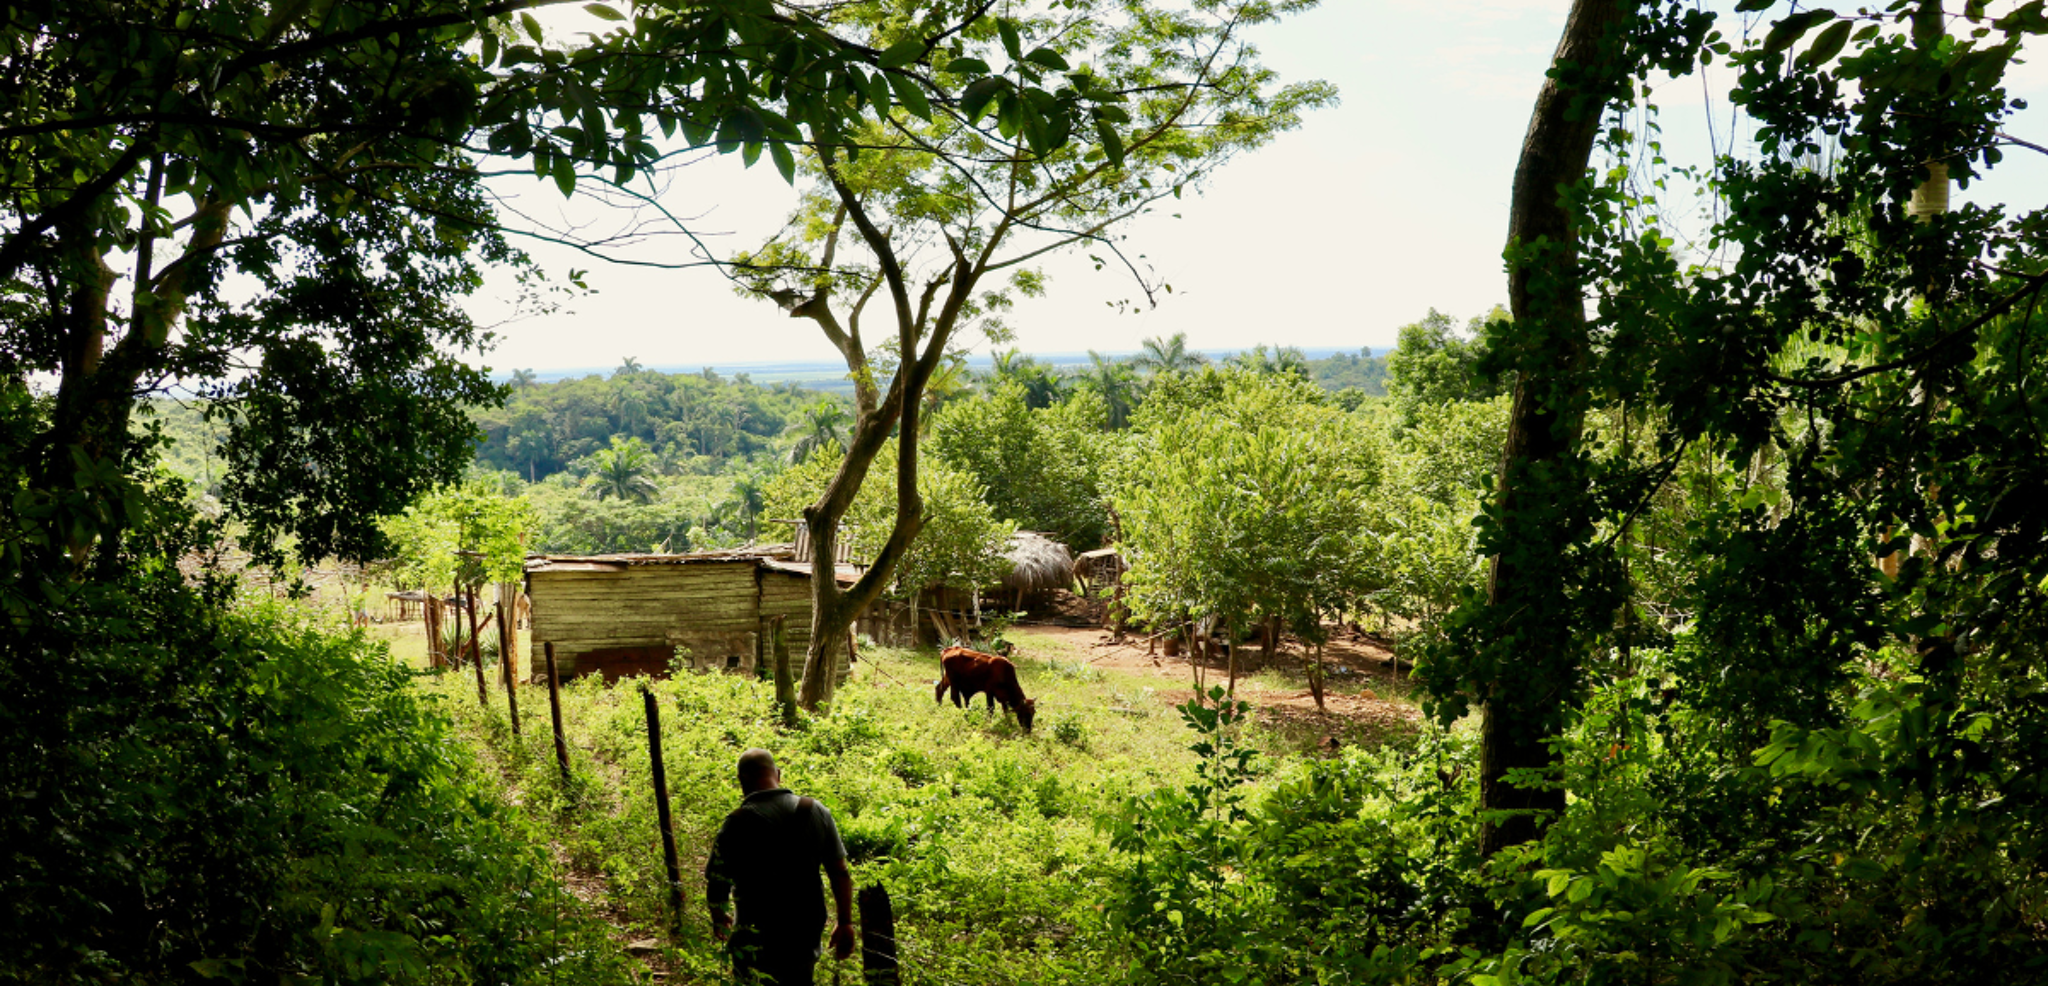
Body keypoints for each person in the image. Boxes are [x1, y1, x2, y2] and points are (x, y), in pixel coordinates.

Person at [705, 748, 855, 986]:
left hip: (753, 936)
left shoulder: (736, 823)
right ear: (778, 773)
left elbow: (717, 881)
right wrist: (845, 922)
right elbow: (840, 872)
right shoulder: (816, 810)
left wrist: (718, 916)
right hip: (803, 934)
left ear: (742, 780)